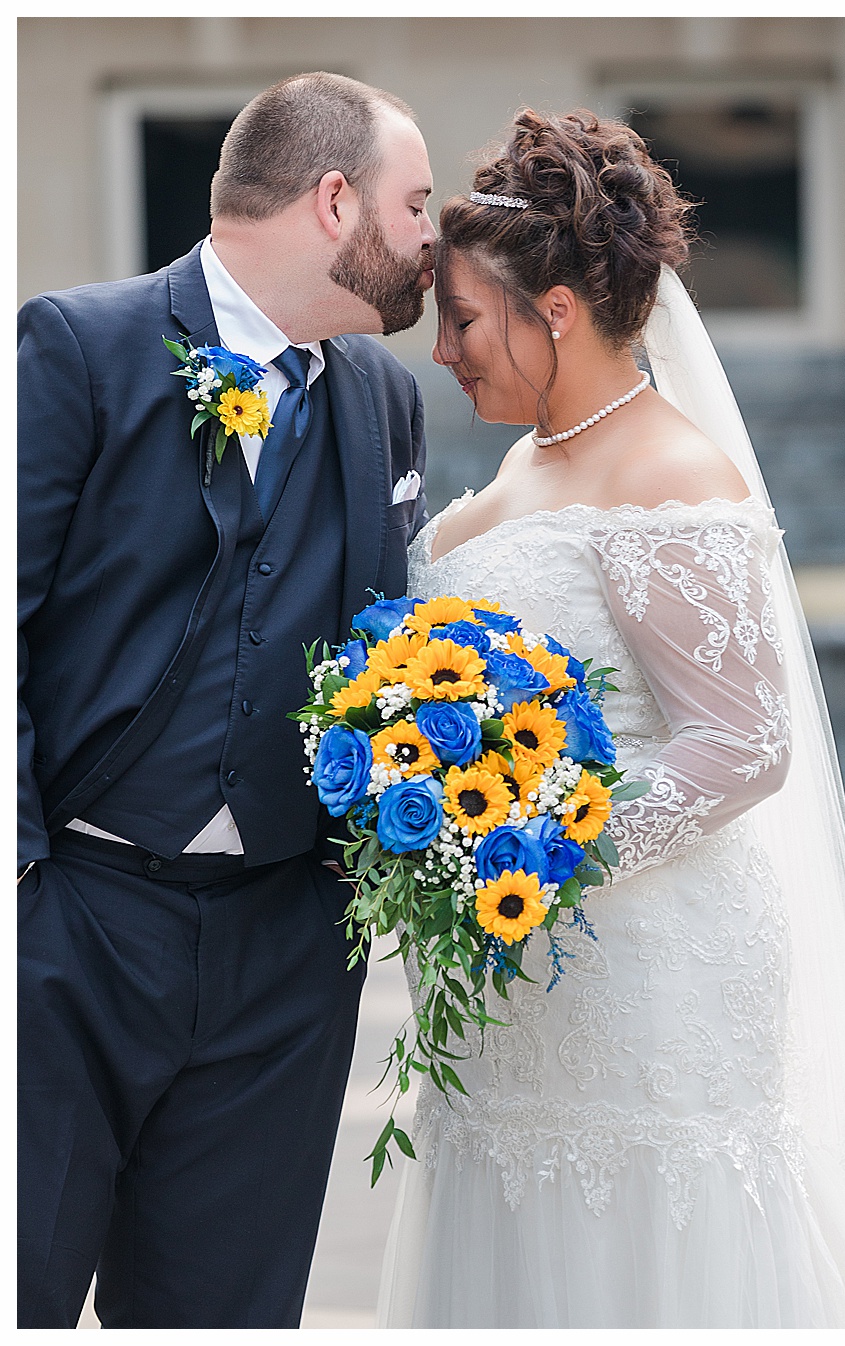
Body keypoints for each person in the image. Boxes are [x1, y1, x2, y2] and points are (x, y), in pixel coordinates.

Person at [374, 109, 845, 1328]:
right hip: (521, 986)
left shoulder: (667, 472)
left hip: (649, 973)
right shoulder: (529, 462)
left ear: (555, 309)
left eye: (463, 318)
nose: (443, 350)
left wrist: (534, 852)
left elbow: (743, 744)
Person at [17, 72, 434, 1327]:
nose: (434, 238)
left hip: (282, 960)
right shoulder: (81, 348)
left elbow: (388, 652)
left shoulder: (387, 403)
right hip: (70, 928)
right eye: (415, 205)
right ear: (333, 200)